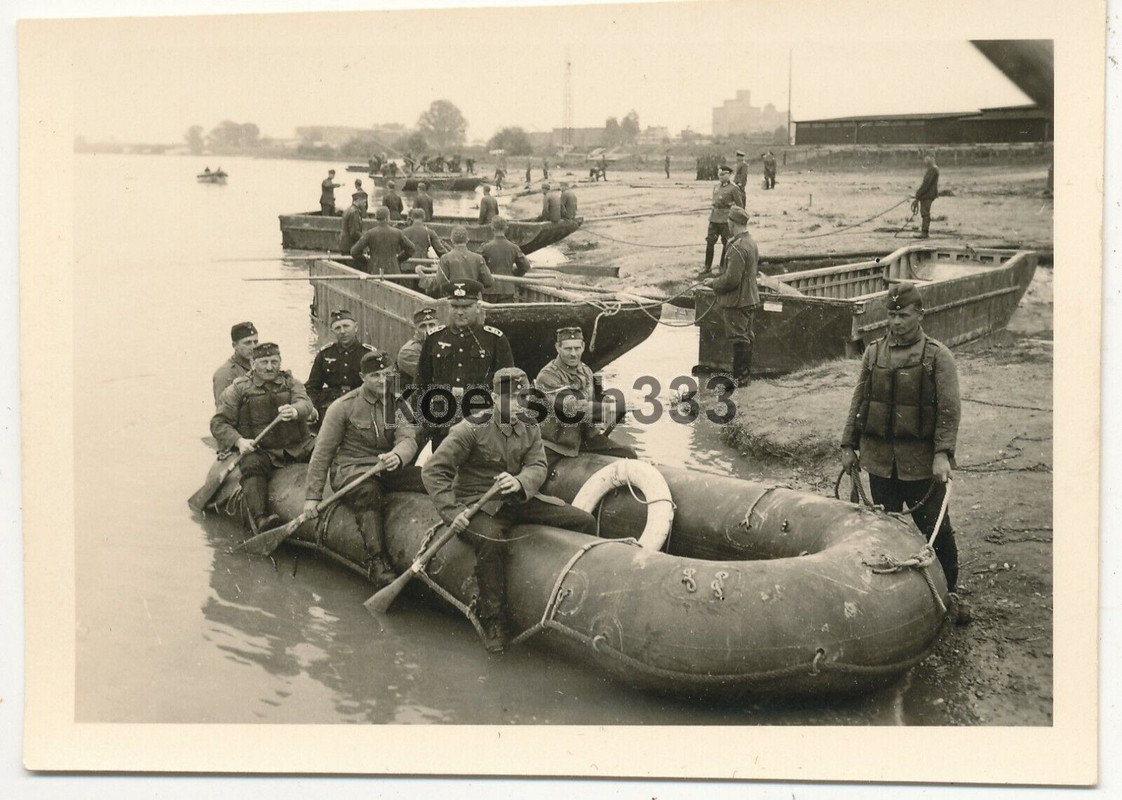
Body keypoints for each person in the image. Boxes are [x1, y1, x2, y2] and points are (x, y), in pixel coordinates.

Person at [421, 367, 597, 652]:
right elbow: (433, 472)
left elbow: (537, 465)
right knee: (491, 544)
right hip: (481, 503)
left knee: (583, 521)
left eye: (523, 398)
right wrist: (453, 513)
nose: (518, 405)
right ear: (493, 397)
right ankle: (493, 619)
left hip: (518, 498)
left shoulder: (529, 425)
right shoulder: (470, 429)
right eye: (510, 399)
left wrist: (519, 481)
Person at [840, 281, 963, 605]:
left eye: (904, 315)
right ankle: (889, 599)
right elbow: (859, 400)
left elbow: (949, 411)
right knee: (885, 532)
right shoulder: (873, 352)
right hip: (880, 462)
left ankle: (950, 592)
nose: (896, 322)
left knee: (937, 532)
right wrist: (847, 445)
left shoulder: (938, 356)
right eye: (891, 315)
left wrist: (942, 455)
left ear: (919, 314)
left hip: (920, 465)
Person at [302, 349, 423, 587]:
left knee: (428, 478)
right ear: (362, 377)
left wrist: (397, 456)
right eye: (375, 375)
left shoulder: (398, 404)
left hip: (387, 466)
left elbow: (408, 439)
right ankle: (376, 562)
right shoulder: (343, 407)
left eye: (387, 374)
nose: (382, 380)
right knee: (369, 493)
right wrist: (311, 497)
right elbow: (322, 453)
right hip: (353, 470)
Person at [211, 343, 316, 532]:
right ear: (252, 362)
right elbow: (218, 423)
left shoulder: (291, 383)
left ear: (280, 362)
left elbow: (305, 403)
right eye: (264, 362)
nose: (269, 367)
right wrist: (239, 441)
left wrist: (294, 410)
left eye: (274, 361)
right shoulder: (238, 389)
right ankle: (261, 519)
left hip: (300, 446)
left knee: (329, 450)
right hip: (263, 451)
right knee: (251, 467)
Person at [416, 280, 513, 449]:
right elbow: (421, 382)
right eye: (454, 306)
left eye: (466, 306)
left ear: (477, 307)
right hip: (443, 420)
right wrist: (425, 421)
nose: (459, 312)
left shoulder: (494, 339)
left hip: (481, 420)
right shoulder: (435, 338)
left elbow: (506, 385)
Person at [534, 327, 638, 466]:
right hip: (556, 444)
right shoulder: (547, 376)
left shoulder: (586, 370)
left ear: (583, 346)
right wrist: (608, 409)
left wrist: (619, 405)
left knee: (628, 453)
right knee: (540, 475)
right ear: (558, 348)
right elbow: (571, 407)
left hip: (587, 439)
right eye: (568, 349)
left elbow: (594, 401)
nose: (573, 354)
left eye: (577, 348)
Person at [703, 205, 759, 386]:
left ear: (733, 223)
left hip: (737, 300)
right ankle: (743, 377)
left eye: (729, 221)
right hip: (749, 297)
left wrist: (713, 283)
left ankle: (740, 379)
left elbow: (731, 280)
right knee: (746, 336)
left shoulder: (737, 248)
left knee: (739, 338)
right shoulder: (750, 242)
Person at [306, 308, 376, 423]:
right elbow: (313, 387)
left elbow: (379, 385)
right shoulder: (325, 354)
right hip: (330, 405)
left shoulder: (368, 354)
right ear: (332, 331)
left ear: (356, 327)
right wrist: (312, 408)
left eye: (346, 326)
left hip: (360, 403)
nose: (342, 331)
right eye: (337, 328)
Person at [431, 227, 494, 298]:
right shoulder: (478, 258)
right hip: (472, 299)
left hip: (452, 299)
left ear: (452, 240)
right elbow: (489, 282)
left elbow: (439, 283)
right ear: (467, 240)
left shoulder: (445, 258)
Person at [350, 207, 416, 275]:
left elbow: (354, 251)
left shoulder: (370, 233)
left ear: (376, 218)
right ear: (387, 218)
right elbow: (411, 248)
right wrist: (398, 259)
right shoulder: (397, 233)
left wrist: (366, 261)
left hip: (374, 270)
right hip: (393, 271)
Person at [480, 217, 531, 303]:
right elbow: (525, 266)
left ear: (492, 228)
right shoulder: (514, 247)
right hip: (508, 288)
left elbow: (476, 264)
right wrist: (513, 274)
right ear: (505, 229)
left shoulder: (485, 247)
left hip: (489, 289)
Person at [701, 164, 741, 275]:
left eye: (723, 174)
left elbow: (740, 206)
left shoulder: (734, 189)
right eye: (719, 174)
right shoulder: (716, 187)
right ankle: (707, 267)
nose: (721, 176)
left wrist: (736, 221)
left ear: (729, 175)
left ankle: (723, 267)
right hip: (714, 218)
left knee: (726, 243)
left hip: (726, 220)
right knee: (710, 242)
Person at [212, 321, 258, 405]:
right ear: (234, 345)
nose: (253, 347)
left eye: (255, 342)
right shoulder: (225, 374)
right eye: (247, 343)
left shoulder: (259, 366)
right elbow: (223, 410)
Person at [396, 306, 441, 386]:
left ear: (439, 326)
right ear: (415, 329)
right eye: (423, 326)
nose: (428, 330)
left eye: (432, 325)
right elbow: (431, 377)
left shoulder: (443, 344)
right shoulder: (408, 351)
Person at [913, 154, 940, 238]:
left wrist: (918, 194)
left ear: (932, 159)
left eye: (927, 159)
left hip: (928, 195)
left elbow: (926, 184)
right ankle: (924, 231)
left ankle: (924, 232)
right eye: (925, 159)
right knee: (925, 213)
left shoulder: (933, 169)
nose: (925, 161)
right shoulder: (932, 169)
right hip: (927, 194)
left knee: (925, 213)